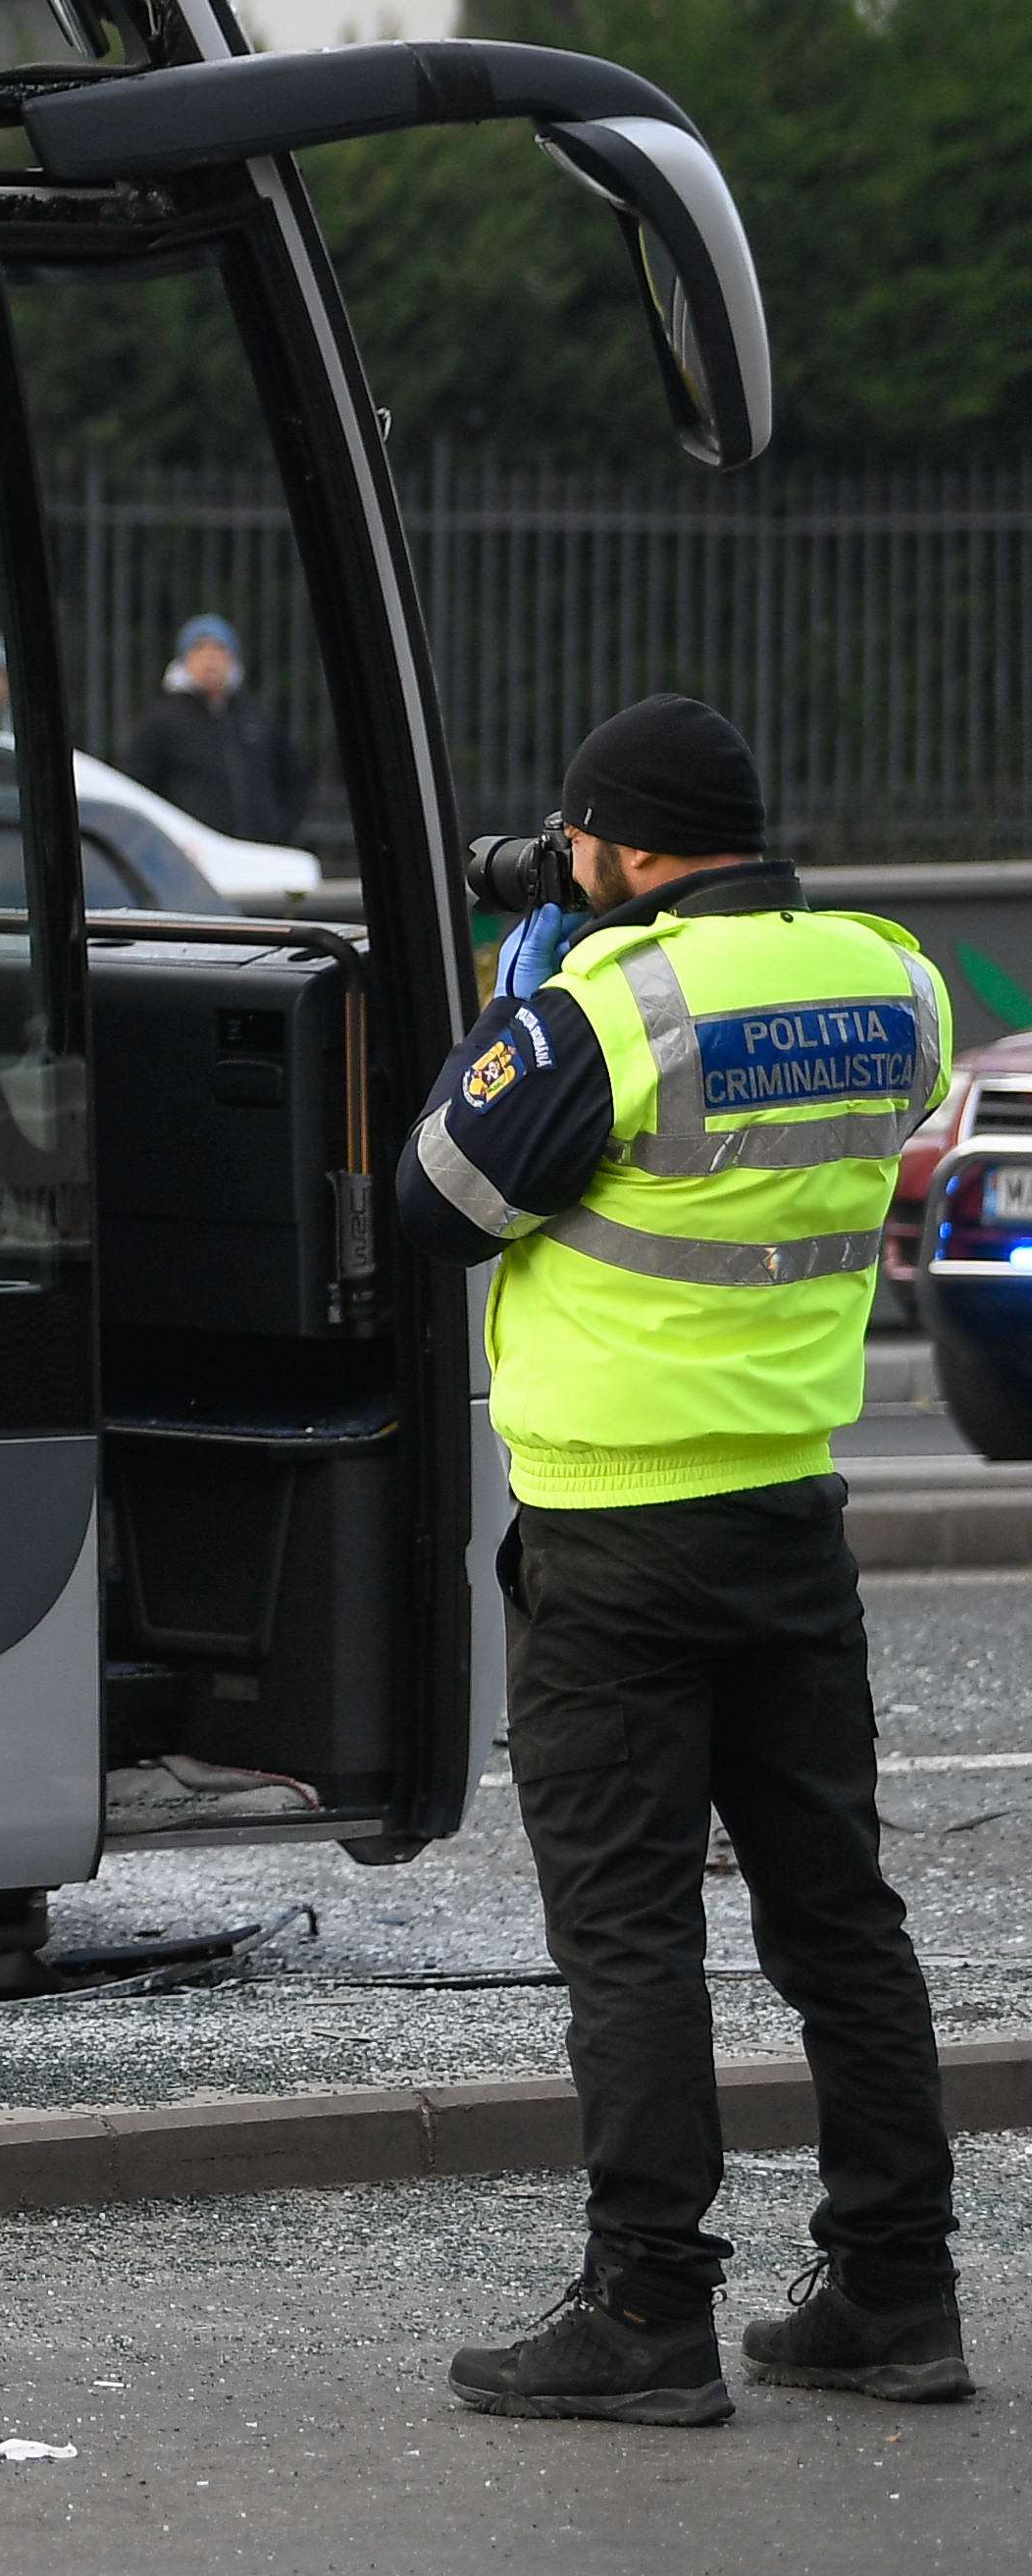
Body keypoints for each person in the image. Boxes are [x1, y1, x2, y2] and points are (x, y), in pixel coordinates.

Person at [392, 693, 965, 2423]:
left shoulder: (599, 1010)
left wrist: (518, 1002)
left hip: (612, 1537)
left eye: (575, 838)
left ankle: (646, 2310)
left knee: (628, 1933)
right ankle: (895, 2285)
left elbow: (433, 1199)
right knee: (834, 1915)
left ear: (627, 848)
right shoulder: (894, 976)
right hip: (789, 1518)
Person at [118, 612, 307, 849]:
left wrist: (278, 831)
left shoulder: (259, 716)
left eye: (219, 650)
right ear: (184, 660)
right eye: (199, 650)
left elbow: (294, 777)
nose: (210, 660)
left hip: (258, 854)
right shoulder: (161, 720)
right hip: (192, 857)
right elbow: (137, 786)